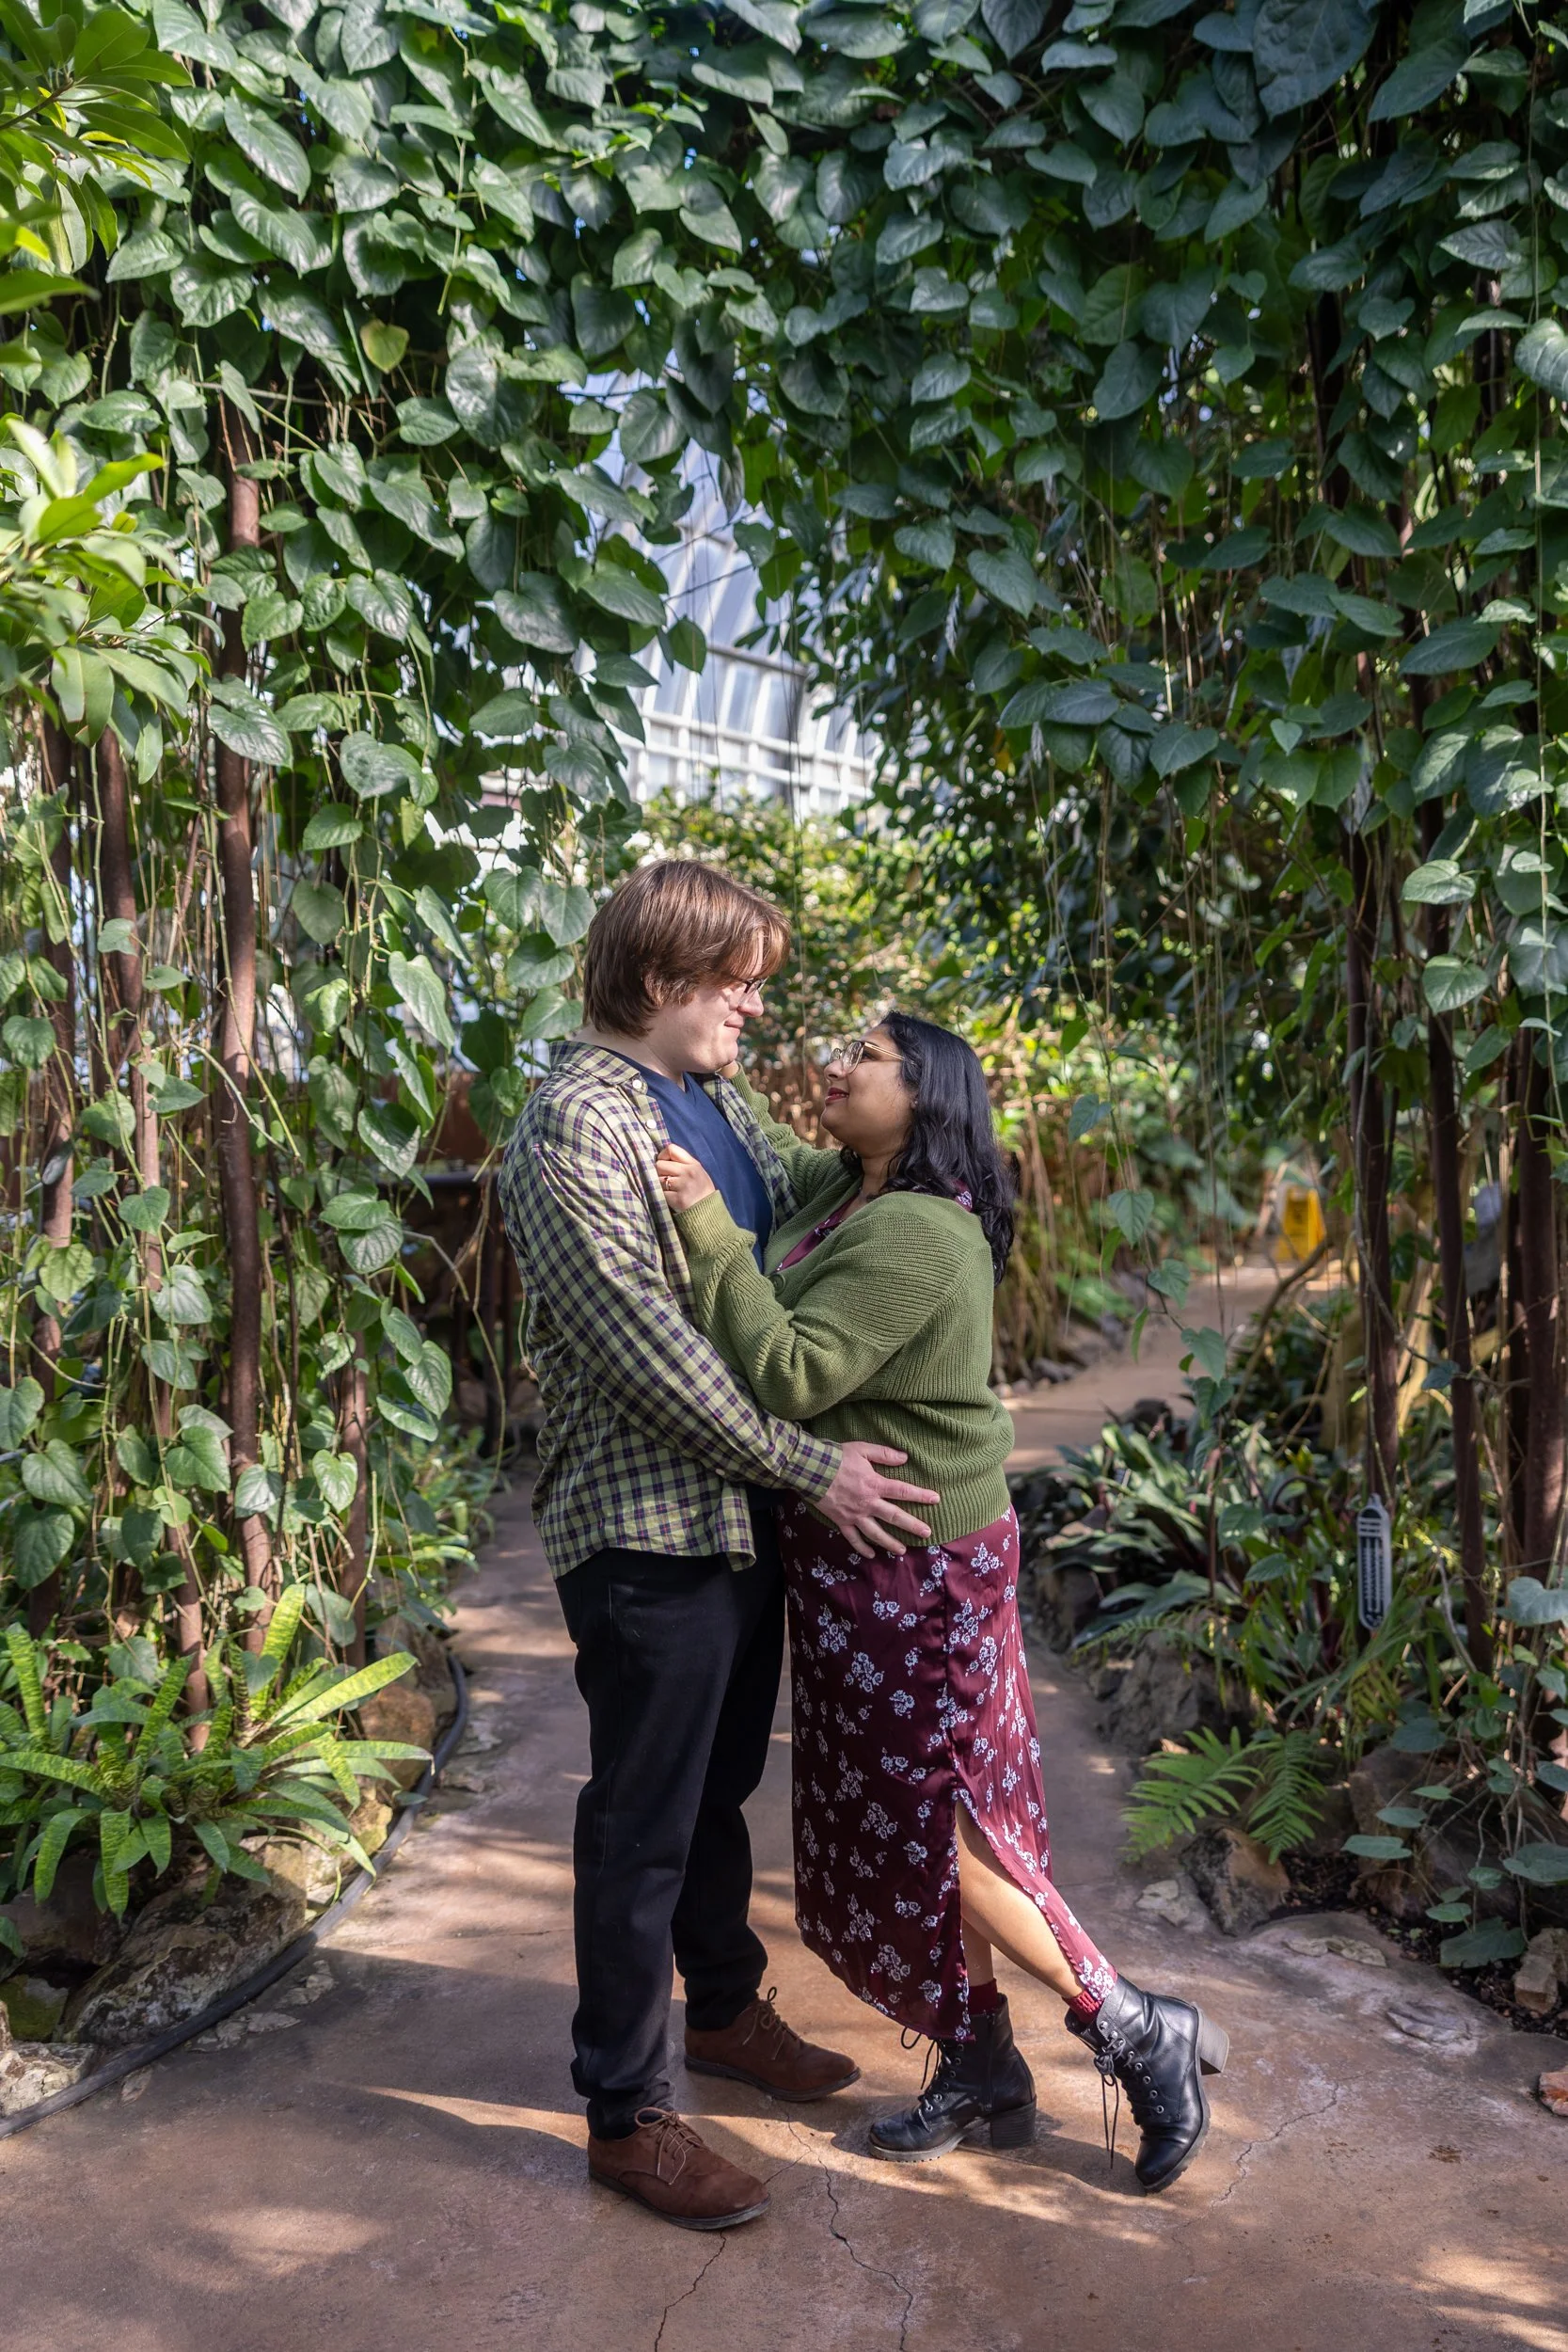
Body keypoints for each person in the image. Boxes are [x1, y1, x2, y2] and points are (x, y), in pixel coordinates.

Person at [657, 1012, 1228, 2193]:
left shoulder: (918, 1231)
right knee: (931, 1818)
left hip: (915, 1571)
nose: (835, 1063)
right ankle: (978, 2064)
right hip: (861, 1559)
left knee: (941, 1823)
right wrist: (701, 1054)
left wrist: (708, 1233)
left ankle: (1128, 2024)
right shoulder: (849, 1191)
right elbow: (760, 1142)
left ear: (923, 1097)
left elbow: (789, 1370)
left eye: (861, 1056)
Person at [497, 862, 941, 2233]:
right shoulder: (569, 1126)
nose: (755, 1004)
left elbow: (807, 1199)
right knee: (640, 1816)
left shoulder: (715, 1101)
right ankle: (625, 2118)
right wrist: (815, 1465)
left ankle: (728, 2008)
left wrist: (923, 1133)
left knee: (715, 1788)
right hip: (642, 1528)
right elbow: (645, 1352)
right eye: (735, 981)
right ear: (658, 981)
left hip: (736, 1513)